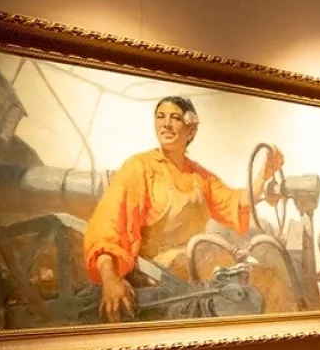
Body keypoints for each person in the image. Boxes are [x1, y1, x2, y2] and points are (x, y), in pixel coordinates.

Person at [83, 96, 282, 322]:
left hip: (194, 267)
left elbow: (238, 201)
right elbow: (107, 226)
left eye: (175, 118)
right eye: (161, 117)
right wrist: (110, 280)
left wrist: (263, 175)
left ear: (191, 130)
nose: (166, 124)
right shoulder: (139, 168)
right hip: (157, 277)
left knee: (262, 280)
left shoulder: (199, 176)